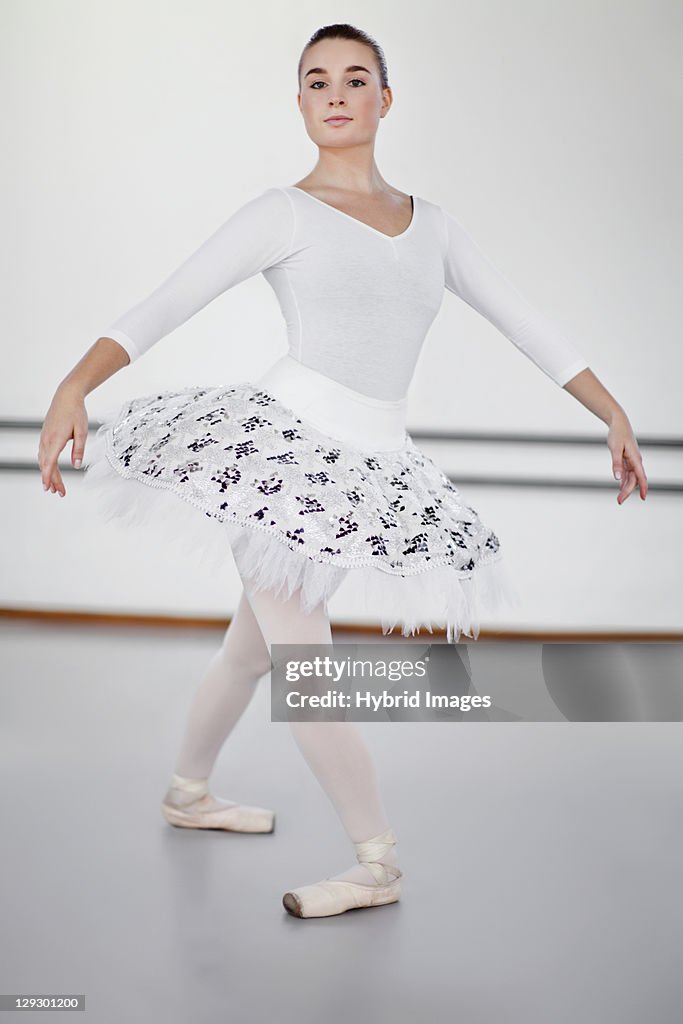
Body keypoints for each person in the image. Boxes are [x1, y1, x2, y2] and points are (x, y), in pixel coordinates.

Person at [37, 24, 648, 919]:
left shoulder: (432, 227)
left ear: (383, 100)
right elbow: (168, 300)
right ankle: (376, 862)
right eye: (315, 80)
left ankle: (187, 792)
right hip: (275, 462)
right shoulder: (280, 213)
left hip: (367, 471)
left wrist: (612, 413)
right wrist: (72, 384)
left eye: (354, 79)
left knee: (250, 652)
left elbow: (524, 321)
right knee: (304, 667)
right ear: (299, 103)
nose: (334, 93)